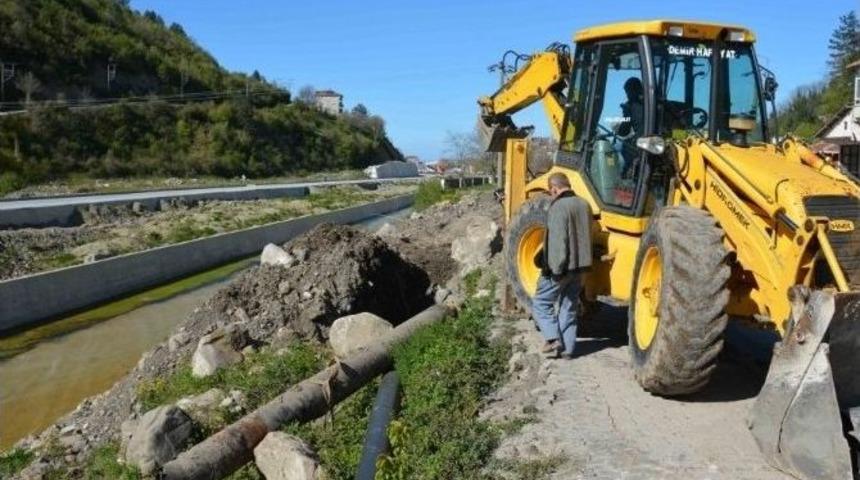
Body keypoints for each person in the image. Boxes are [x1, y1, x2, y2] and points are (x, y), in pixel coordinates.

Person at [532, 173, 592, 358]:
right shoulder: (584, 204)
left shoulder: (558, 207)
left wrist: (555, 270)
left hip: (562, 268)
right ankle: (568, 349)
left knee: (541, 302)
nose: (551, 195)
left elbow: (559, 241)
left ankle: (552, 339)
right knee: (568, 306)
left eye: (550, 192)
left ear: (554, 188)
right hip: (581, 268)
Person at [617, 77, 644, 179]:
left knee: (622, 147)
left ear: (633, 91)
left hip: (642, 143)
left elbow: (624, 131)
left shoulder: (630, 106)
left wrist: (625, 113)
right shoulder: (655, 102)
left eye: (628, 93)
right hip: (660, 139)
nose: (627, 96)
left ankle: (626, 176)